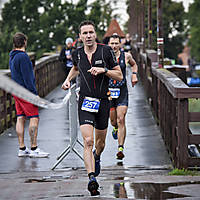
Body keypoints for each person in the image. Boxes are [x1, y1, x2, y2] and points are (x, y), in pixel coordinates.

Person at [62, 20, 123, 196]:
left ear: (95, 34)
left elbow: (119, 75)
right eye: (85, 33)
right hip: (85, 102)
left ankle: (97, 156)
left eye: (91, 32)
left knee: (100, 143)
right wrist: (68, 80)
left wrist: (104, 70)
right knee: (88, 141)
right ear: (80, 37)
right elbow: (75, 69)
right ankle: (91, 179)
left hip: (104, 101)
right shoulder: (77, 54)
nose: (88, 36)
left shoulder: (106, 51)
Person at [9, 32, 49, 158]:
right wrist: (34, 94)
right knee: (34, 117)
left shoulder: (12, 57)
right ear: (24, 42)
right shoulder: (23, 57)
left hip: (17, 91)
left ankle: (22, 148)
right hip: (26, 93)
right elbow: (28, 78)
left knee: (20, 117)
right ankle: (34, 148)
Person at [108, 34, 138, 160]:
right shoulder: (104, 56)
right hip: (109, 93)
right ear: (108, 44)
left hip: (122, 91)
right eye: (112, 43)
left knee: (121, 119)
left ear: (120, 44)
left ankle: (120, 148)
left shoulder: (126, 56)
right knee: (114, 121)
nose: (114, 46)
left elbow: (134, 65)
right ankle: (115, 129)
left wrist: (134, 75)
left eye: (116, 43)